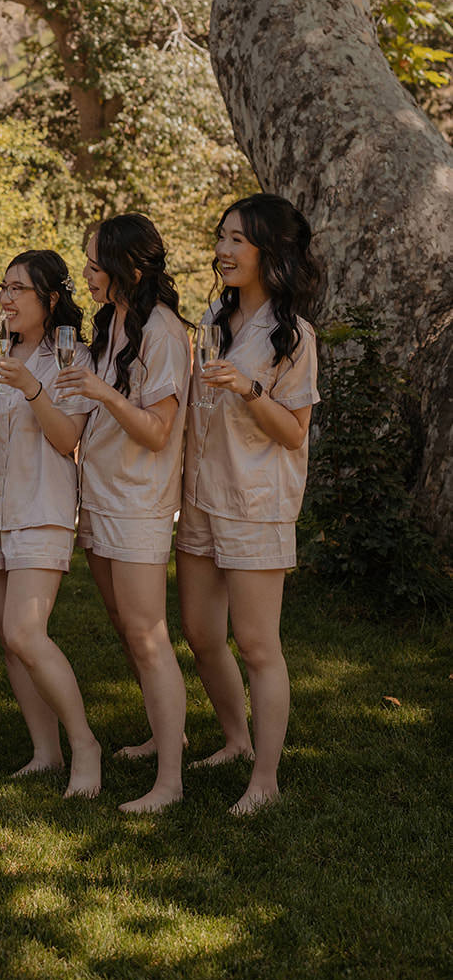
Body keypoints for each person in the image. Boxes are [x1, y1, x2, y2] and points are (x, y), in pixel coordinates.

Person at [175, 193, 321, 816]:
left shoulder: (295, 335)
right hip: (202, 497)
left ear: (271, 251)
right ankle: (235, 740)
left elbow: (294, 432)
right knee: (202, 632)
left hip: (257, 501)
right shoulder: (213, 316)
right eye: (222, 237)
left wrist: (249, 386)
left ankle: (265, 780)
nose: (223, 251)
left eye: (238, 240)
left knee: (258, 645)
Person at [57, 214, 192, 814]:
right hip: (101, 494)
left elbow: (159, 432)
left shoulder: (163, 331)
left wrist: (102, 392)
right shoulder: (111, 323)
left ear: (128, 269)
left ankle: (170, 782)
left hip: (139, 501)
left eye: (94, 264)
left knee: (148, 634)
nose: (85, 273)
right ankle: (168, 734)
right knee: (123, 627)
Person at [0, 250, 103, 799]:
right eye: (3, 288)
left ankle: (85, 745)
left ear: (50, 298)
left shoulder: (72, 356)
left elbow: (67, 439)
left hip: (41, 507)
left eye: (18, 290)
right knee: (12, 644)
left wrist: (32, 386)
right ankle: (45, 751)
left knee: (26, 632)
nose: (6, 299)